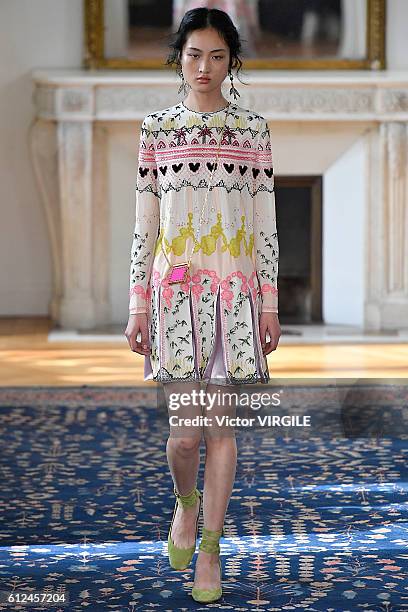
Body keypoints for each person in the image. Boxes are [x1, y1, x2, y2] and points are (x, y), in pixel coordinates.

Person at [124, 7, 281, 604]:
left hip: (234, 299)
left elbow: (266, 223)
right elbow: (144, 226)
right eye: (194, 55)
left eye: (217, 56)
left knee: (220, 430)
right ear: (178, 58)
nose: (205, 68)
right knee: (184, 439)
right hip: (172, 299)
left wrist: (268, 303)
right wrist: (137, 305)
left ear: (231, 62)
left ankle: (210, 548)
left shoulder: (253, 132)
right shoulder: (157, 130)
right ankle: (185, 505)